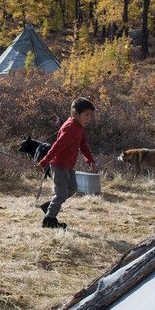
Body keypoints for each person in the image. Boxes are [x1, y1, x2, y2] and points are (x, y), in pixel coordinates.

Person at [35, 97, 96, 229]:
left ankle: (50, 206)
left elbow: (83, 144)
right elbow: (57, 147)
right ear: (76, 114)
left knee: (72, 188)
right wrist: (44, 162)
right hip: (59, 165)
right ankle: (49, 220)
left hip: (68, 165)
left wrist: (90, 160)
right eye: (86, 116)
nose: (89, 119)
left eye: (90, 116)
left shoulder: (79, 127)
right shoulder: (70, 128)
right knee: (61, 194)